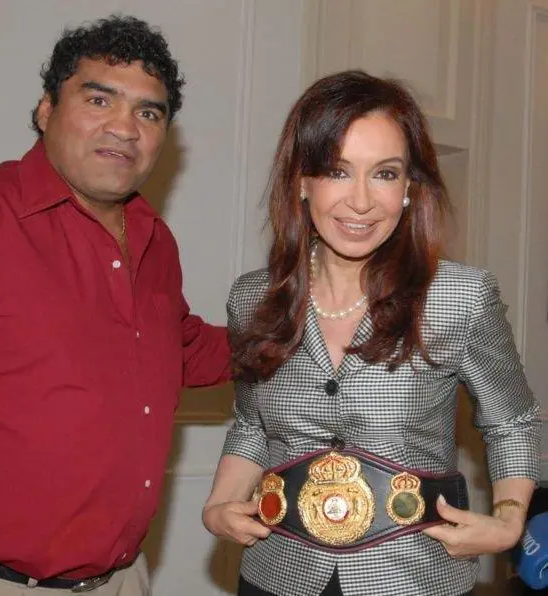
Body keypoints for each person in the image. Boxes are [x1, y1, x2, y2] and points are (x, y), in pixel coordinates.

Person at [202, 70, 541, 596]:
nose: (361, 201)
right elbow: (251, 423)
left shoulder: (459, 296)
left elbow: (512, 421)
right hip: (278, 574)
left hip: (413, 575)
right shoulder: (253, 299)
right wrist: (218, 505)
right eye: (338, 171)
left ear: (408, 188)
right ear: (301, 182)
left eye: (384, 174)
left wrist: (509, 519)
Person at [0, 15, 230, 596]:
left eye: (149, 113)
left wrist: (312, 323)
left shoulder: (154, 239)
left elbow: (181, 349)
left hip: (123, 579)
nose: (125, 127)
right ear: (46, 110)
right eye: (99, 99)